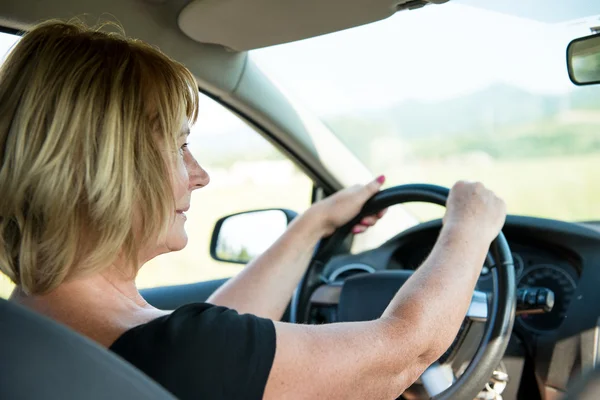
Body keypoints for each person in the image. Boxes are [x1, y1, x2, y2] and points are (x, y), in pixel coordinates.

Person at [0, 20, 507, 400]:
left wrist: (312, 225)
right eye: (180, 148)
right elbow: (404, 352)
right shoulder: (182, 352)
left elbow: (218, 343)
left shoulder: (28, 326)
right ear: (110, 170)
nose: (200, 174)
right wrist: (469, 226)